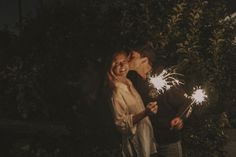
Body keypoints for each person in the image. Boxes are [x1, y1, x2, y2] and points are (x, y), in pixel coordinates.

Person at [127, 46, 191, 157]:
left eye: (132, 57)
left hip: (167, 140)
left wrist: (180, 118)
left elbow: (186, 103)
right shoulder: (132, 80)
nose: (128, 60)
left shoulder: (163, 77)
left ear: (144, 60)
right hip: (146, 143)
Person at [107, 50, 158, 157]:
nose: (121, 65)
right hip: (136, 146)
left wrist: (150, 110)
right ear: (111, 68)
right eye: (116, 63)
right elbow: (121, 124)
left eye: (124, 61)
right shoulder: (116, 92)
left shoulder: (128, 82)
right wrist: (145, 113)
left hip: (146, 139)